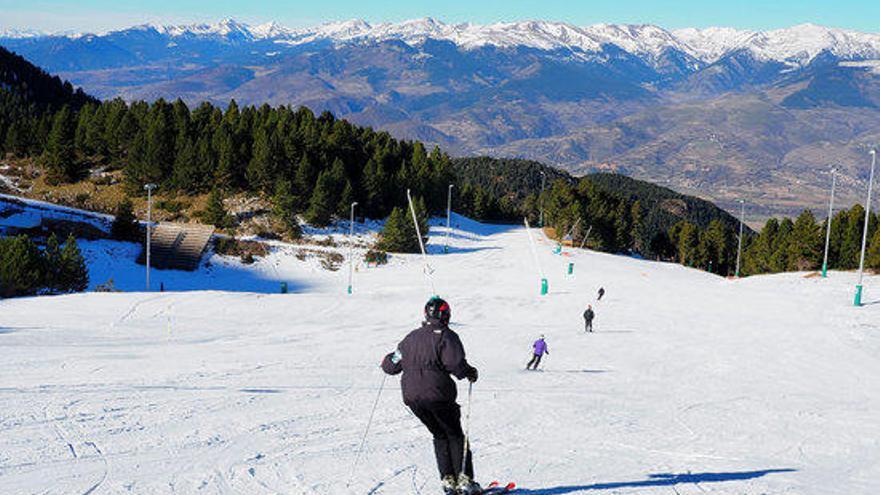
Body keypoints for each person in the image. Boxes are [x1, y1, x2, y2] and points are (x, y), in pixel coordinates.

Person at [381, 297, 481, 495]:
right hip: (438, 395)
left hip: (412, 398)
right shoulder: (446, 336)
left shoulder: (410, 338)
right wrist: (470, 372)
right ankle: (465, 481)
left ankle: (448, 480)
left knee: (439, 434)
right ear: (445, 315)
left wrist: (386, 359)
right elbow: (455, 364)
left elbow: (391, 366)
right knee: (454, 435)